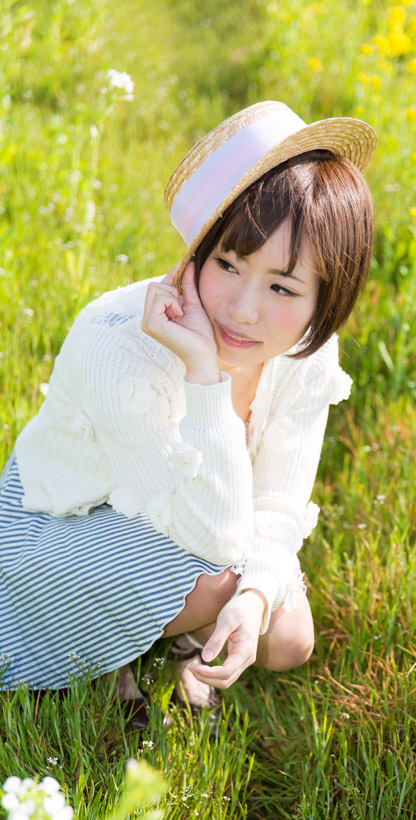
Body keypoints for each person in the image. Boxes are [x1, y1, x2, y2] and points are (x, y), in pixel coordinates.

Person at [0, 100, 376, 713]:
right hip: (59, 523)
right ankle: (104, 651)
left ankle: (166, 642)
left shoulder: (307, 354)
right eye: (227, 263)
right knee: (214, 581)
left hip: (189, 520)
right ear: (197, 252)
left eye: (283, 286)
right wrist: (205, 376)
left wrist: (254, 598)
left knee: (284, 636)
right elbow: (219, 536)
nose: (243, 309)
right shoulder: (120, 347)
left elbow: (276, 506)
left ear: (328, 295)